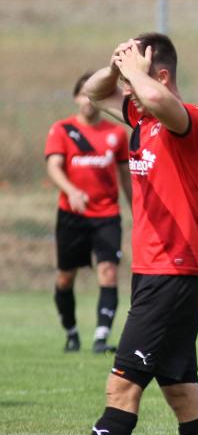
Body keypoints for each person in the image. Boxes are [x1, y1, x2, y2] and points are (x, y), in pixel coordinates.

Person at [10, 34, 198, 435]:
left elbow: (155, 98)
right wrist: (117, 67)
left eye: (137, 79)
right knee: (182, 394)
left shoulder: (187, 119)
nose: (127, 97)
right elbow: (93, 92)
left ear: (161, 76)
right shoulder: (141, 117)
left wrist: (137, 74)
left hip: (172, 273)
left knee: (122, 389)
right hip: (157, 274)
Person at [45, 72, 131, 354]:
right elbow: (54, 166)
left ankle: (100, 337)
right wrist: (71, 190)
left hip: (106, 214)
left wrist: (138, 209)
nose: (87, 100)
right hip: (72, 215)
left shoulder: (116, 133)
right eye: (82, 94)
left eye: (91, 94)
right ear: (75, 98)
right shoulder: (62, 130)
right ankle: (71, 331)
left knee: (107, 272)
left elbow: (125, 177)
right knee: (65, 278)